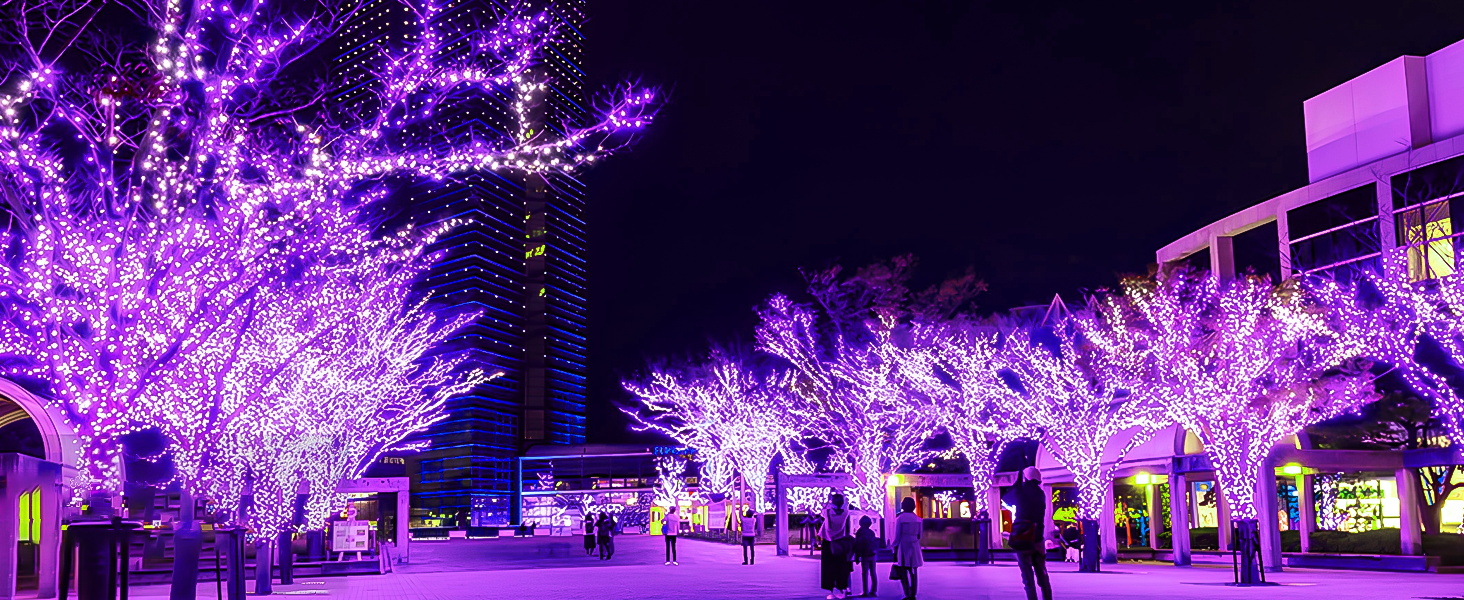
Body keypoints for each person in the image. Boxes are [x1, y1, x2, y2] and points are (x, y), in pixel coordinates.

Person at [1011, 467, 1053, 600]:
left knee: (1027, 575)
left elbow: (1011, 494)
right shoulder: (1041, 494)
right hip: (1038, 538)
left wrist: (1019, 477)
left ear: (1025, 477)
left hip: (1023, 537)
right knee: (1042, 574)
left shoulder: (1021, 492)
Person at [819, 493, 854, 599]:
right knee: (841, 565)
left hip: (829, 542)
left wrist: (831, 539)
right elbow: (847, 528)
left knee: (828, 566)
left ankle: (831, 589)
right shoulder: (846, 513)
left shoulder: (827, 512)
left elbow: (828, 528)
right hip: (842, 541)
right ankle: (843, 587)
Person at [892, 497, 924, 600]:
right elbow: (920, 535)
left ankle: (907, 593)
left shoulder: (900, 519)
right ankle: (913, 593)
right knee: (913, 570)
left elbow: (897, 535)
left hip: (903, 544)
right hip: (915, 545)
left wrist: (894, 547)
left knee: (903, 570)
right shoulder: (918, 519)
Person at [852, 516, 878, 598]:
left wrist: (857, 555)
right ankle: (874, 590)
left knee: (865, 573)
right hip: (872, 554)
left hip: (865, 554)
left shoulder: (860, 532)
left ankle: (865, 591)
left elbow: (858, 544)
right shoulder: (871, 532)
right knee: (873, 572)